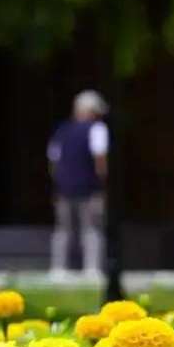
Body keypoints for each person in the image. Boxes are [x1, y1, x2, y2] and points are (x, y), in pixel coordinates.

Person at [48, 90, 109, 278]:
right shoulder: (97, 129)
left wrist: (58, 182)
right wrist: (102, 182)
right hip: (89, 187)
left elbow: (53, 160)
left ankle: (58, 269)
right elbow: (100, 158)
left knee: (62, 229)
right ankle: (91, 269)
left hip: (64, 187)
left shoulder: (62, 130)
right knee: (91, 228)